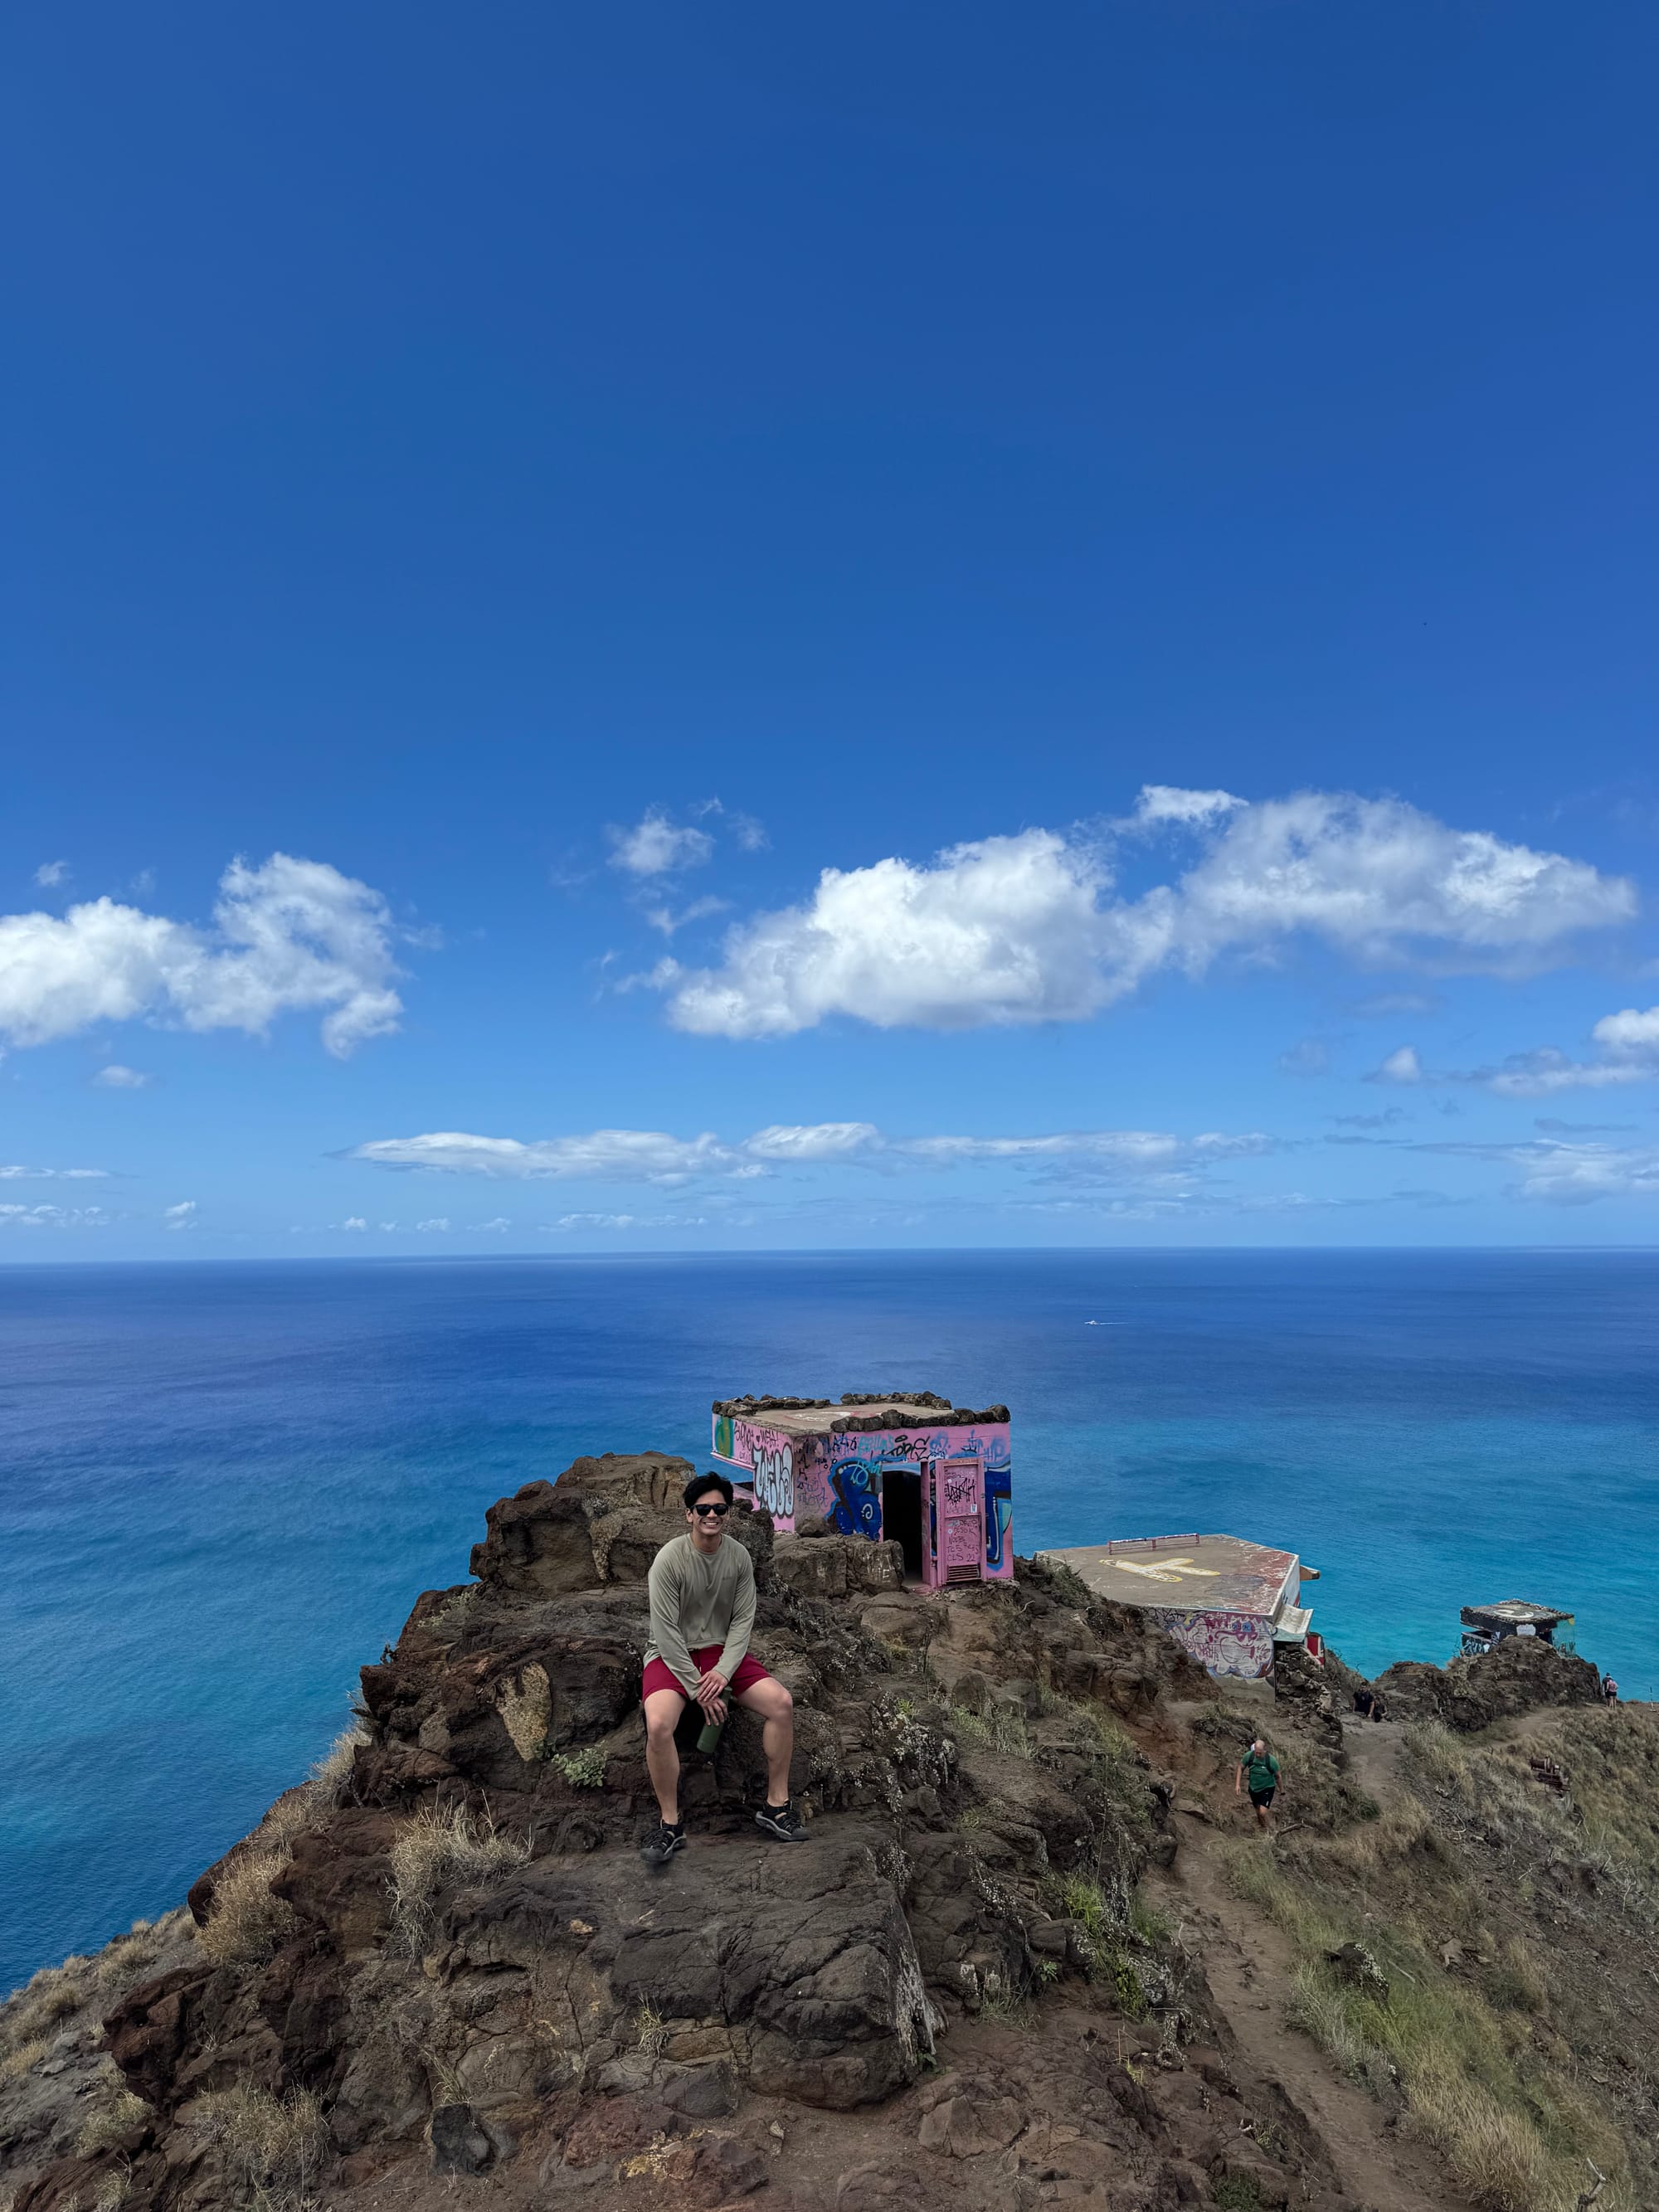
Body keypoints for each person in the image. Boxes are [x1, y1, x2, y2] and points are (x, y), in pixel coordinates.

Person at [640, 1471, 806, 1867]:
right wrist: (698, 1688)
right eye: (703, 1509)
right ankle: (670, 1823)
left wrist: (724, 1672)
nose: (711, 1515)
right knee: (659, 1724)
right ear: (689, 1514)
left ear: (728, 1513)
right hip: (671, 1656)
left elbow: (743, 1621)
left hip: (721, 1654)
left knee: (781, 1704)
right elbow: (665, 1633)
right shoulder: (669, 1560)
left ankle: (776, 1805)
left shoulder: (739, 1557)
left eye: (719, 1508)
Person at [1235, 1737, 1282, 1832]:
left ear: (1264, 1750)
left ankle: (1268, 1829)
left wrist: (1282, 1790)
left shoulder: (1271, 1760)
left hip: (1267, 1788)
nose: (1258, 1754)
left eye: (1260, 1753)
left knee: (1262, 1812)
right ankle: (1262, 1825)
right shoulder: (1249, 1756)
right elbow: (1241, 1768)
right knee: (1257, 1810)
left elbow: (1278, 1776)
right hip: (1253, 1788)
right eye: (1256, 1752)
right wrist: (1237, 1785)